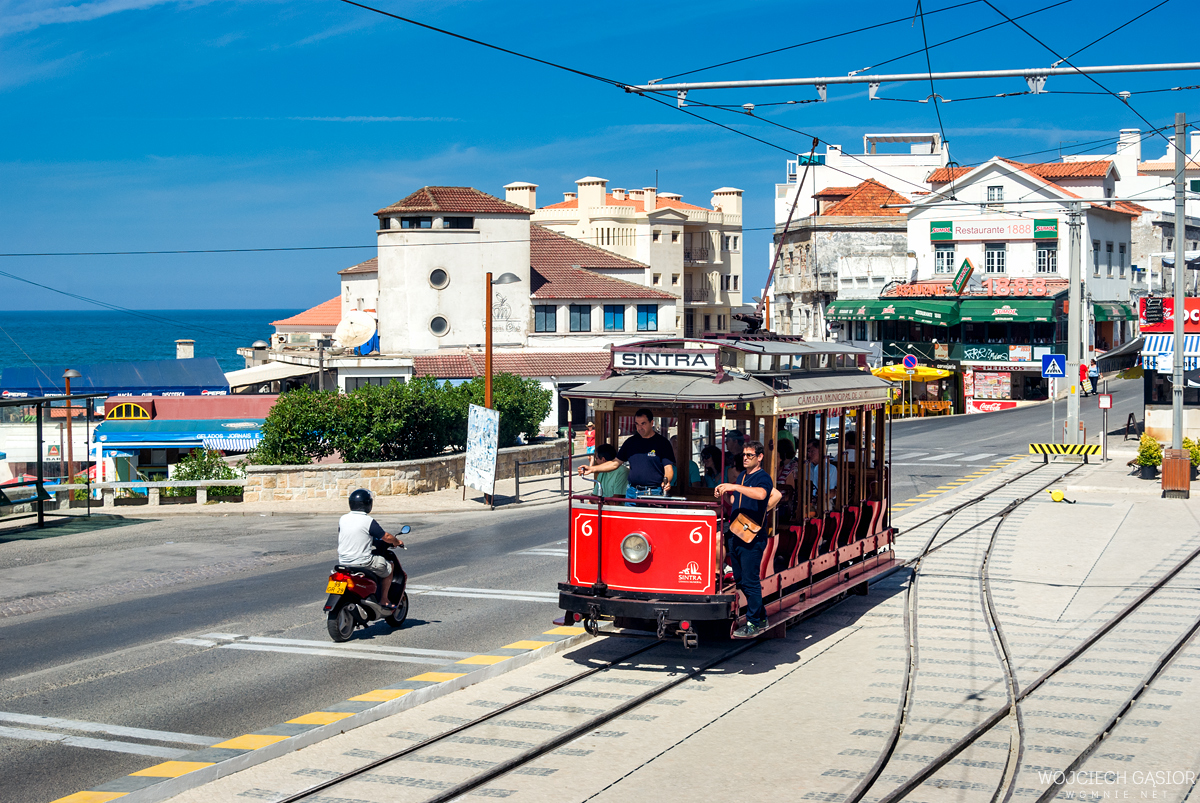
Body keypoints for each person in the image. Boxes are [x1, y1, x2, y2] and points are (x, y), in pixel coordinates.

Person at [715, 440, 782, 638]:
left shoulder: (763, 478)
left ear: (759, 457)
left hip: (752, 536)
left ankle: (753, 623)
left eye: (749, 455)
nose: (745, 458)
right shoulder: (744, 476)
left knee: (751, 581)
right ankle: (761, 618)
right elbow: (738, 501)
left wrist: (733, 485)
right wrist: (726, 494)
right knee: (741, 580)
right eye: (744, 455)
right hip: (737, 533)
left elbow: (762, 495)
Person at [579, 408, 674, 500]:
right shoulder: (631, 442)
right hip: (632, 491)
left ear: (652, 423)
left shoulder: (662, 443)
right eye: (637, 424)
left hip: (654, 491)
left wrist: (667, 481)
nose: (639, 428)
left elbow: (668, 468)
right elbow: (615, 463)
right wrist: (592, 469)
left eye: (643, 424)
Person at [338, 489, 405, 612]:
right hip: (363, 562)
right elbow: (386, 537)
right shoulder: (368, 521)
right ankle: (384, 599)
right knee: (389, 566)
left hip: (343, 562)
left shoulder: (343, 519)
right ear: (368, 503)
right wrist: (397, 542)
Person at [806, 438, 837, 511]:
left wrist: (819, 498)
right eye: (808, 451)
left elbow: (832, 493)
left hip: (823, 501)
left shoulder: (831, 469)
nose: (809, 454)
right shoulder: (805, 468)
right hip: (805, 500)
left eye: (812, 451)